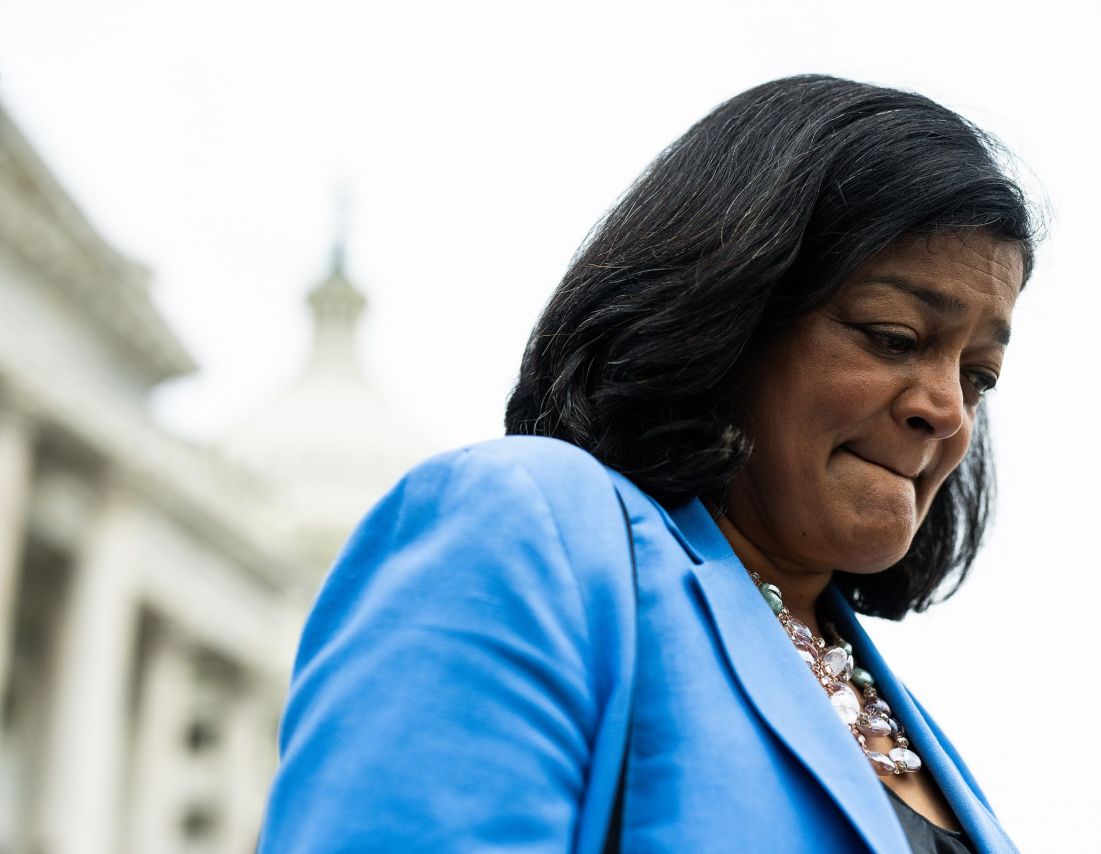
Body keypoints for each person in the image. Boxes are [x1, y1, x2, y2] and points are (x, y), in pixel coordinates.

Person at [258, 74, 1039, 853]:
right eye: (894, 337)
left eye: (978, 376)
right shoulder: (528, 530)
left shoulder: (922, 735)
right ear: (730, 311)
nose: (945, 409)